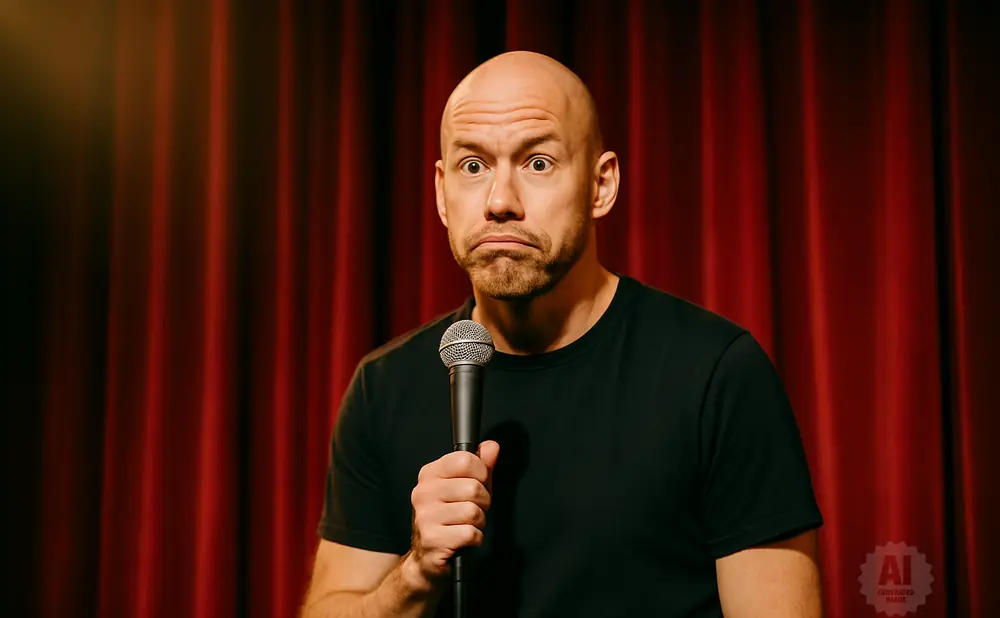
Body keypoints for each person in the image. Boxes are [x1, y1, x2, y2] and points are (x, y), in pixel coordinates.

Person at [300, 51, 824, 617]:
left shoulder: (715, 373)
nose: (500, 201)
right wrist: (415, 572)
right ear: (441, 193)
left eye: (538, 163)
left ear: (601, 185)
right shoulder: (385, 387)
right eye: (473, 166)